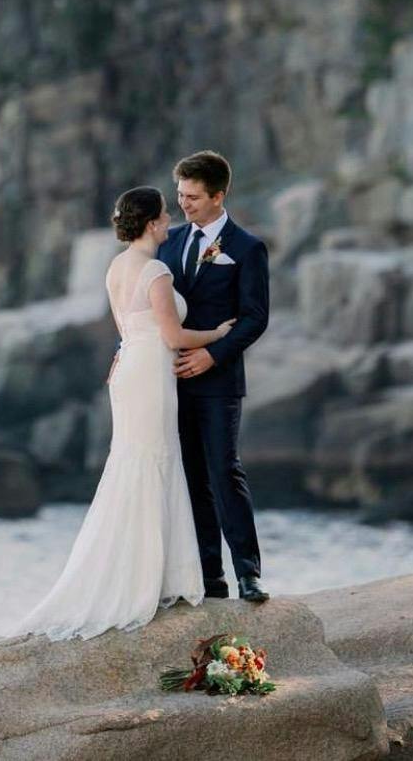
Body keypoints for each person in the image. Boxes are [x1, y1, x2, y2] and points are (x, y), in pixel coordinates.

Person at [12, 186, 235, 641]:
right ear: (152, 222)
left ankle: (143, 575)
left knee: (133, 462)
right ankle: (150, 581)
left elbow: (127, 328)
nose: (171, 220)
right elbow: (172, 337)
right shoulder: (155, 271)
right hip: (151, 373)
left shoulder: (116, 267)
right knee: (154, 461)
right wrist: (217, 333)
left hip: (130, 368)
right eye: (165, 214)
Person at [158, 150, 270, 604]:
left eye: (194, 197)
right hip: (169, 380)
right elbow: (150, 307)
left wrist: (212, 355)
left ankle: (248, 573)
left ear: (219, 195)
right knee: (190, 478)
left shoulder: (246, 247)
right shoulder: (169, 242)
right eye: (181, 195)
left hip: (218, 380)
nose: (184, 204)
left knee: (225, 472)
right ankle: (210, 578)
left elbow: (254, 318)